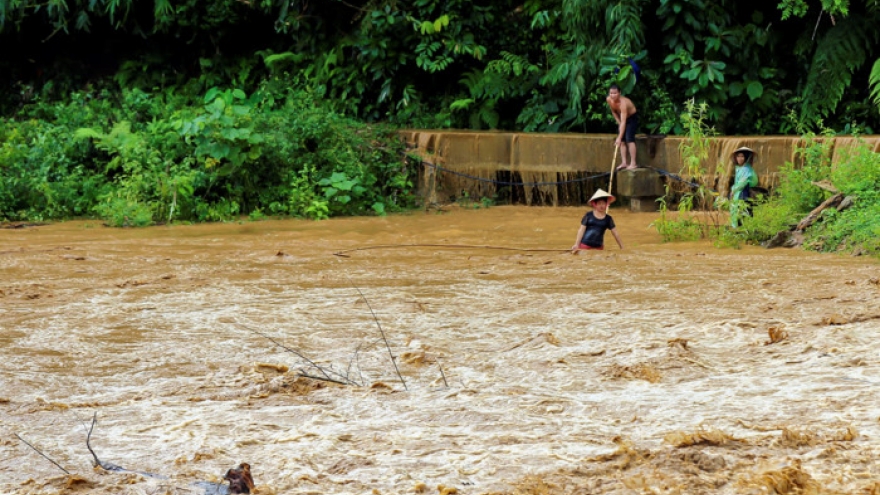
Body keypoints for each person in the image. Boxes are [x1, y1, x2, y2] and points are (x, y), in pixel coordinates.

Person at [606, 84, 639, 170]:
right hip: (621, 118)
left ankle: (633, 163)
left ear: (619, 93)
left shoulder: (623, 104)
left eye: (615, 93)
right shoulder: (609, 100)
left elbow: (624, 122)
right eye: (611, 93)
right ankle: (624, 162)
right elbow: (613, 111)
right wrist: (618, 123)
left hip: (631, 118)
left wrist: (619, 137)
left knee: (629, 139)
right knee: (622, 142)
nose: (612, 95)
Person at [729, 146, 759, 228]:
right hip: (737, 192)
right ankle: (739, 229)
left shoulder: (746, 169)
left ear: (745, 158)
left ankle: (745, 229)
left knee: (743, 210)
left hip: (743, 193)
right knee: (737, 210)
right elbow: (737, 182)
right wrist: (733, 190)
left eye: (742, 156)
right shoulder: (739, 168)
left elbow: (742, 183)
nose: (740, 158)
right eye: (738, 156)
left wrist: (733, 191)